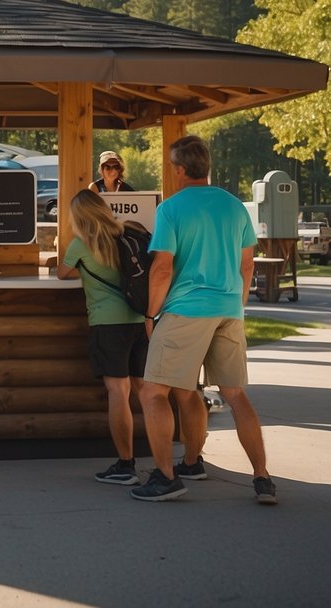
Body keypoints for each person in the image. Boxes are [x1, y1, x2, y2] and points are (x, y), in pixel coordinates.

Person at [136, 135, 276, 504]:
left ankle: (166, 476)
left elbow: (162, 268)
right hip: (229, 309)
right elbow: (248, 264)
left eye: (172, 166)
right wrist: (237, 304)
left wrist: (151, 314)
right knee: (235, 395)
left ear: (180, 170)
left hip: (186, 310)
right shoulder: (234, 207)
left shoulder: (171, 208)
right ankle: (261, 478)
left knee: (152, 391)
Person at [57, 189, 148, 486]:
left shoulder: (81, 244)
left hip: (108, 324)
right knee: (147, 393)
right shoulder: (126, 233)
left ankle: (126, 464)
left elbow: (62, 274)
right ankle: (165, 462)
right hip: (139, 319)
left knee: (118, 393)